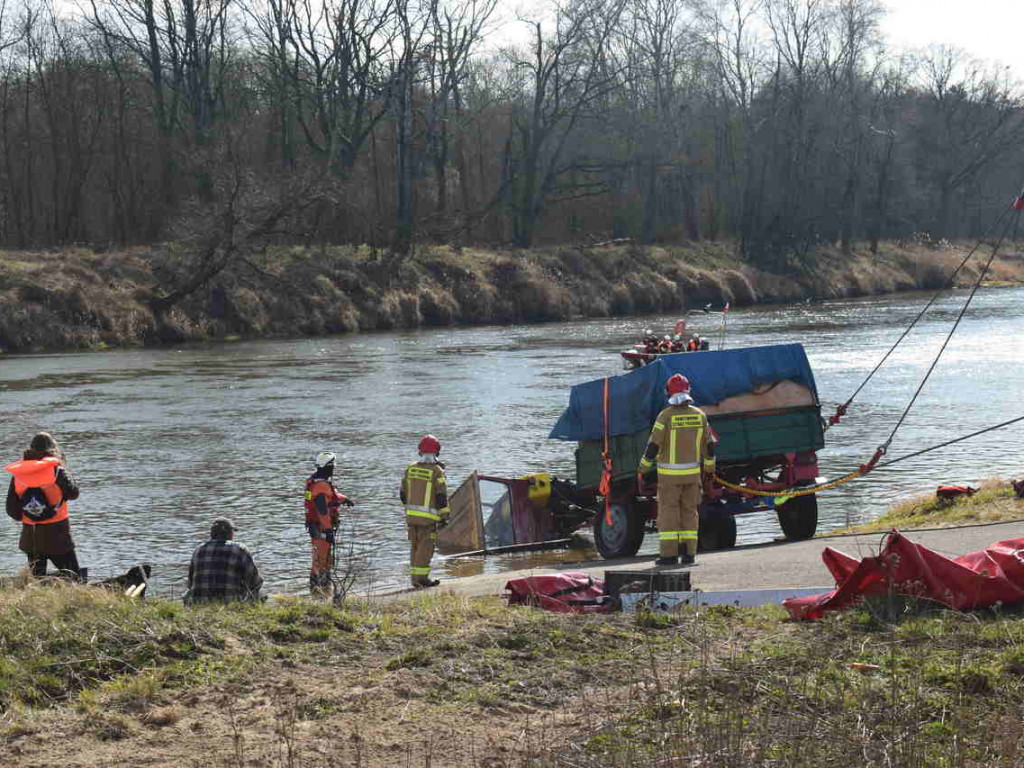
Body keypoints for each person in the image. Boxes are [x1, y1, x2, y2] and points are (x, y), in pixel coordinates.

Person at [638, 375, 715, 566]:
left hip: (669, 478)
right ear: (688, 391)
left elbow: (653, 446)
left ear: (668, 393)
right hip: (692, 475)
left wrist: (643, 469)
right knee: (690, 512)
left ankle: (669, 555)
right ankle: (689, 554)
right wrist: (709, 469)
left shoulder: (665, 416)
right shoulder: (700, 415)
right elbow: (709, 447)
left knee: (668, 514)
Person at [5, 432, 83, 580]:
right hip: (58, 535)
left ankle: (37, 600)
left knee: (38, 580)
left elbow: (12, 510)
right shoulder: (56, 470)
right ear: (52, 449)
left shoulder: (19, 474)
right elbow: (74, 494)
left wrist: (32, 514)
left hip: (31, 536)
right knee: (75, 576)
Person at [400, 434, 450, 588]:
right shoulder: (437, 471)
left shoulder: (411, 469)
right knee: (425, 549)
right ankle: (421, 581)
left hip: (411, 518)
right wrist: (444, 516)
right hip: (428, 520)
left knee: (414, 548)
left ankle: (414, 579)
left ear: (420, 451)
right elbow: (441, 497)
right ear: (437, 451)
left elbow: (402, 495)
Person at [304, 451, 354, 598]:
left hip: (317, 528)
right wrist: (328, 530)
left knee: (325, 561)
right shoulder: (320, 486)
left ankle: (324, 593)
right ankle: (317, 594)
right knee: (319, 562)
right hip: (321, 529)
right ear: (329, 467)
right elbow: (322, 510)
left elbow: (330, 497)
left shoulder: (316, 482)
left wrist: (344, 499)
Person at [184, 518, 263, 603]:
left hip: (199, 604)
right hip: (230, 604)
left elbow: (190, 583)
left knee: (186, 594)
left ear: (212, 534)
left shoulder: (198, 550)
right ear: (230, 534)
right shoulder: (239, 549)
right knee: (261, 594)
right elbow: (256, 582)